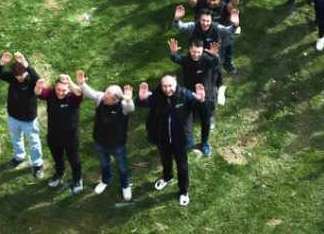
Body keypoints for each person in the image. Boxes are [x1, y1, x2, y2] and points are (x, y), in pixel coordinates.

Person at [135, 75, 208, 207]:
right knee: (165, 159)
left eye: (170, 86)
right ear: (161, 86)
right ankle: (167, 177)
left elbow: (200, 108)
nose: (168, 89)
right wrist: (140, 98)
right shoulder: (156, 94)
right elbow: (142, 103)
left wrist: (202, 101)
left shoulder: (185, 94)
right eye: (164, 86)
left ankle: (183, 191)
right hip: (162, 137)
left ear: (176, 84)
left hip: (180, 139)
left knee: (182, 165)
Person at [168, 37, 223, 156]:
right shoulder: (186, 59)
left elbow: (217, 63)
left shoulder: (207, 60)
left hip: (205, 96)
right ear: (189, 50)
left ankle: (204, 143)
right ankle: (188, 141)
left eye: (199, 52)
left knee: (206, 120)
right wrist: (173, 52)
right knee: (187, 119)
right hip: (190, 96)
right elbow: (175, 58)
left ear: (203, 50)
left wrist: (215, 55)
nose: (196, 55)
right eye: (193, 52)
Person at [82, 79, 135, 202]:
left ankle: (125, 185)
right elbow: (91, 93)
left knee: (122, 166)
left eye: (107, 98)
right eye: (104, 95)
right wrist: (81, 83)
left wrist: (128, 99)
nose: (103, 98)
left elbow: (131, 108)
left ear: (116, 100)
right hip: (100, 141)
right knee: (104, 163)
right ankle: (106, 180)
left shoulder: (123, 106)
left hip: (117, 144)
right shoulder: (102, 98)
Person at [35, 70, 86, 192]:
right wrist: (38, 86)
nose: (60, 92)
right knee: (57, 158)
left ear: (69, 90)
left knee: (74, 159)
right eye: (58, 89)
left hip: (70, 137)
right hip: (53, 136)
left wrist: (69, 81)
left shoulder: (73, 98)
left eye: (64, 90)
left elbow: (79, 93)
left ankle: (78, 178)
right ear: (55, 87)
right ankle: (59, 173)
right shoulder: (51, 94)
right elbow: (39, 93)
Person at [0, 52, 44, 178]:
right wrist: (2, 63)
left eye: (21, 74)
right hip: (13, 117)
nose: (19, 78)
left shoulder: (32, 80)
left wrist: (25, 64)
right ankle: (19, 157)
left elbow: (38, 78)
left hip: (28, 120)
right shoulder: (13, 77)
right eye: (16, 75)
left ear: (27, 71)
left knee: (34, 142)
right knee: (16, 139)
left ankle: (38, 165)